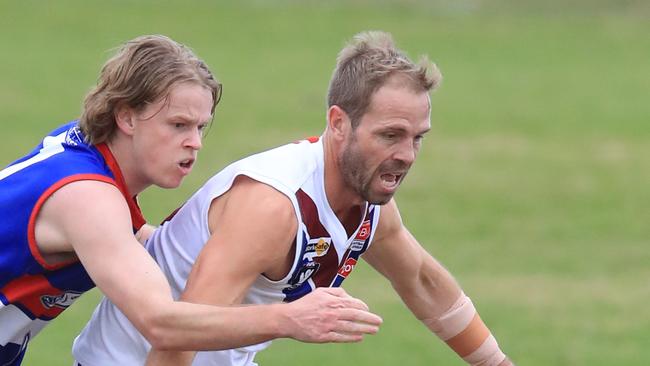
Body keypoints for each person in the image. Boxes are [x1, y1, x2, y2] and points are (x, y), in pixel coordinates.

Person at [73, 31, 514, 366]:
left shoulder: (368, 203)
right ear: (338, 123)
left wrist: (496, 362)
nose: (406, 155)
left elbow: (422, 281)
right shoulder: (273, 206)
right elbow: (176, 341)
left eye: (418, 137)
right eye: (390, 135)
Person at [0, 34, 383, 366]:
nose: (194, 142)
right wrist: (289, 319)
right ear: (126, 117)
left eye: (200, 126)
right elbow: (162, 324)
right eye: (178, 125)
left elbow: (122, 239)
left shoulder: (84, 153)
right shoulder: (88, 198)